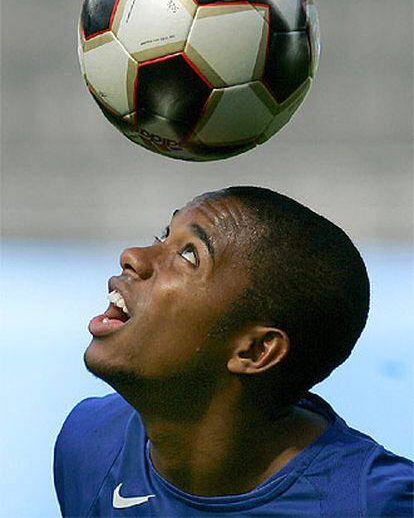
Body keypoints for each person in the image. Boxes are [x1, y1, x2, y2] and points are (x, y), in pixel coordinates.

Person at [54, 186, 413, 517]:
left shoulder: (375, 504)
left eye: (188, 254)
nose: (132, 256)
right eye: (163, 235)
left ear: (256, 351)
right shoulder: (91, 444)